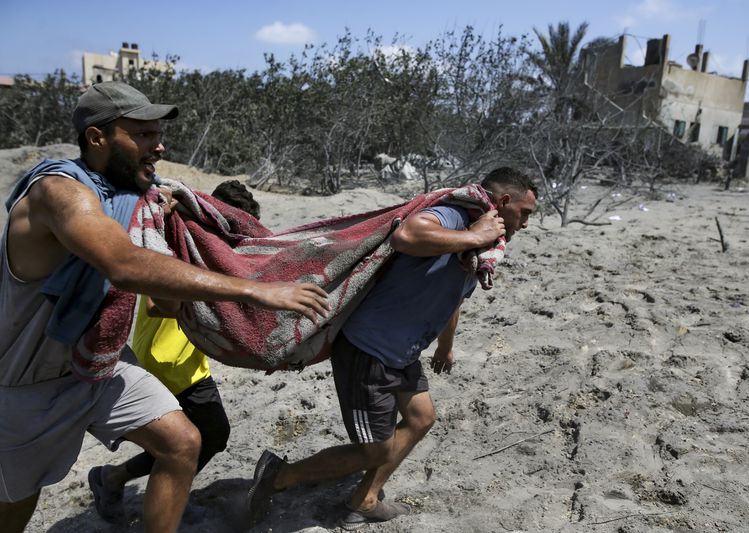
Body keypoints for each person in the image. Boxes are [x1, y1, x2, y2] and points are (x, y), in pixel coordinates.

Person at [0, 82, 328, 533]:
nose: (159, 144)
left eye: (157, 133)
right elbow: (123, 263)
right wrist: (253, 291)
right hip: (26, 382)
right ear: (97, 138)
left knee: (182, 441)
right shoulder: (58, 192)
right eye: (142, 134)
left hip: (98, 366)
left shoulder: (131, 193)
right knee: (15, 507)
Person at [247, 167, 536, 530]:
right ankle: (277, 476)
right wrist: (472, 234)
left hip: (403, 351)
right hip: (370, 348)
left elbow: (451, 295)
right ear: (505, 202)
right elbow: (407, 235)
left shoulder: (480, 246)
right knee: (375, 450)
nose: (525, 223)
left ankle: (363, 499)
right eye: (524, 213)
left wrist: (445, 346)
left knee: (421, 418)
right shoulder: (458, 216)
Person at [86, 180, 262, 524]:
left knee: (194, 438)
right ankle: (120, 482)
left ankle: (120, 481)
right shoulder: (176, 244)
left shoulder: (197, 248)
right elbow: (154, 304)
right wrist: (217, 304)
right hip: (167, 359)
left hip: (185, 357)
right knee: (209, 435)